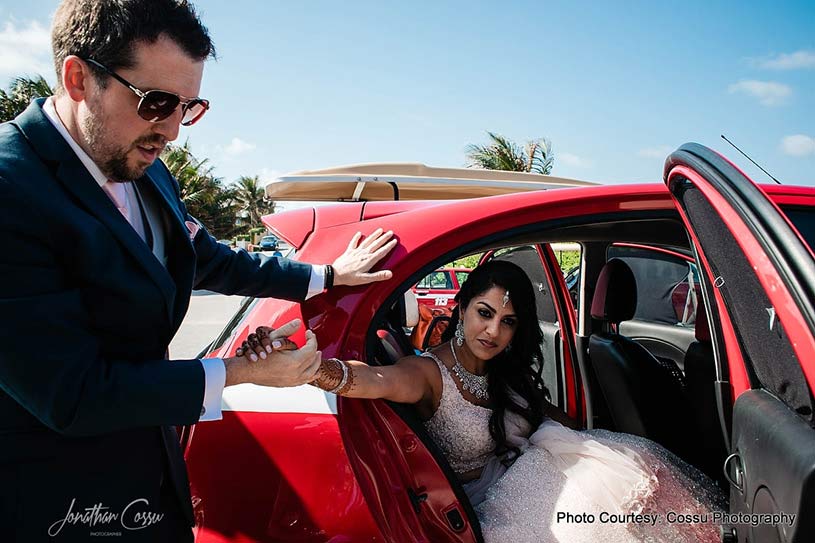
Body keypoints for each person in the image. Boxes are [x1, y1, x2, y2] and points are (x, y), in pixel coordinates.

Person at [0, 1, 396, 541]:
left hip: (154, 485)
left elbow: (202, 257)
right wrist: (245, 373)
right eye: (156, 102)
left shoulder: (142, 161)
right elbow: (74, 395)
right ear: (78, 78)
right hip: (55, 506)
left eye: (189, 107)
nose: (173, 131)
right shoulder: (11, 188)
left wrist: (325, 275)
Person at [241, 260, 726, 542]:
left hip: (532, 472)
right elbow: (373, 381)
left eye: (508, 322)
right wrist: (309, 369)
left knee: (641, 486)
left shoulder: (501, 367)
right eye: (484, 313)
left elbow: (544, 417)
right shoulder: (428, 372)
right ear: (461, 308)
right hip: (491, 506)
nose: (493, 331)